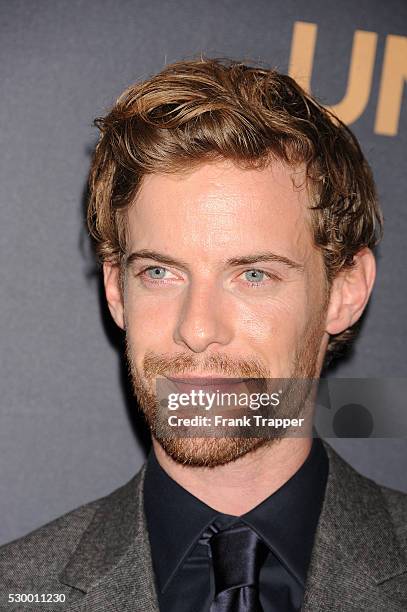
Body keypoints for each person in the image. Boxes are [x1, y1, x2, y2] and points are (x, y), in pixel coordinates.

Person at [0, 57, 406, 612]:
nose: (196, 329)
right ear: (117, 290)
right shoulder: (17, 590)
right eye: (160, 272)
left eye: (253, 275)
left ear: (344, 291)